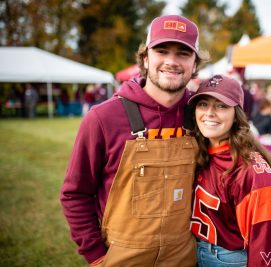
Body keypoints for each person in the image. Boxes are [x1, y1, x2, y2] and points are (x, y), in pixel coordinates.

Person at [60, 15, 208, 266]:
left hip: (184, 256)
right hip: (122, 257)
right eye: (162, 51)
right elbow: (75, 194)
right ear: (145, 58)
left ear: (195, 64)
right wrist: (96, 256)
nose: (172, 61)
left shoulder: (203, 116)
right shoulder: (102, 118)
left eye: (183, 53)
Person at [188, 75, 271, 267]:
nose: (209, 113)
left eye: (221, 105)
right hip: (194, 251)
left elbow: (266, 236)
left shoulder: (251, 170)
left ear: (236, 114)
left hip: (228, 259)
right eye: (203, 104)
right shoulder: (199, 149)